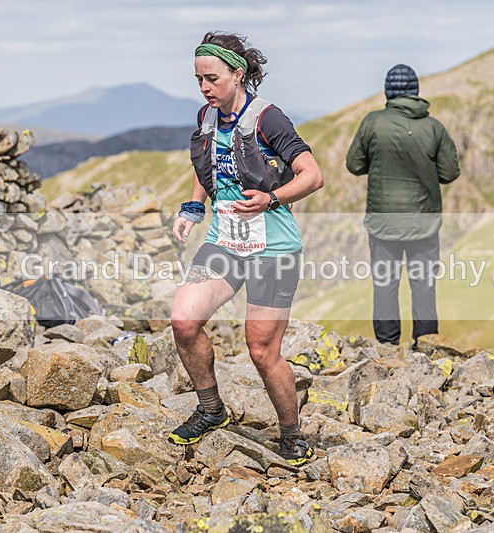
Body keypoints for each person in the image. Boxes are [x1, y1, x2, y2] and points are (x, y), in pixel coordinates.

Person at [168, 32, 323, 466]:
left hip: (273, 248)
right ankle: (212, 410)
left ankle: (291, 436)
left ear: (238, 74)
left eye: (212, 79)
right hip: (225, 242)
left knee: (261, 350)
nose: (204, 88)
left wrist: (272, 198)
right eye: (199, 79)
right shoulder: (207, 115)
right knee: (183, 321)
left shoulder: (268, 119)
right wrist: (193, 207)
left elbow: (312, 175)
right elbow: (209, 166)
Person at [345, 64, 460, 347]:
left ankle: (387, 347)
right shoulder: (434, 127)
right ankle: (426, 346)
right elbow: (449, 173)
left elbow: (354, 164)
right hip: (424, 223)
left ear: (388, 92)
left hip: (383, 223)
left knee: (385, 285)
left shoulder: (372, 122)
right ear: (416, 91)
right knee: (423, 287)